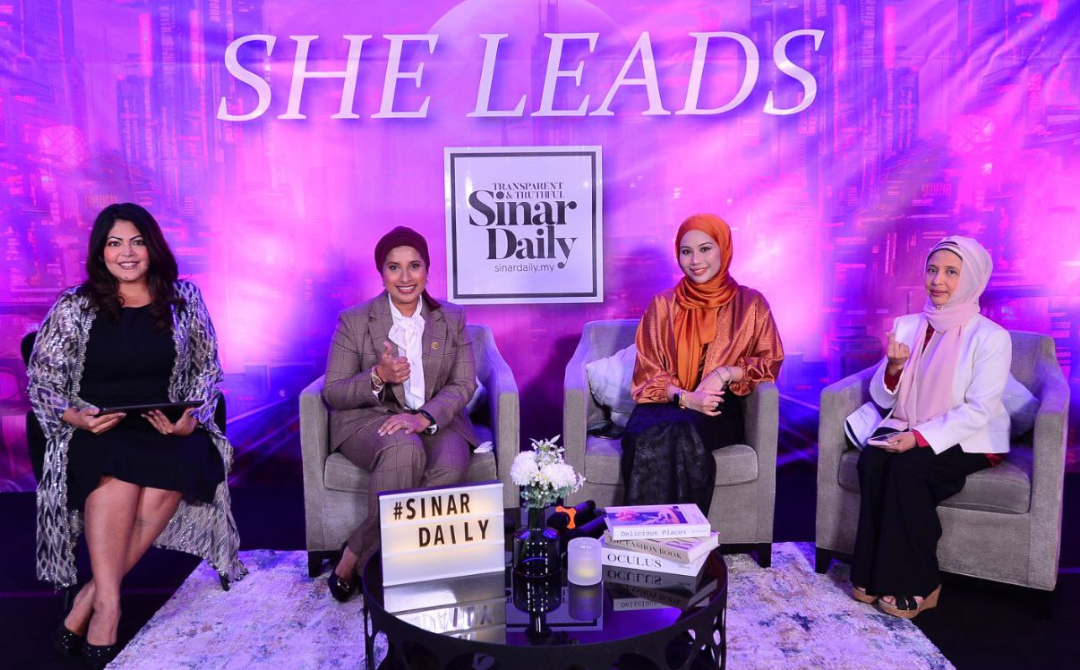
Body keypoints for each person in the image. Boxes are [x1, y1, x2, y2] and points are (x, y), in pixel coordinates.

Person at [28, 203, 244, 668]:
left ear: (153, 246)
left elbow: (208, 372)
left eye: (137, 241)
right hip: (97, 426)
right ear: (100, 252)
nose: (126, 253)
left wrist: (193, 416)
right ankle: (109, 606)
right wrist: (75, 417)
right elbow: (41, 381)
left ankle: (89, 598)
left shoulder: (184, 298)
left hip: (163, 424)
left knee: (183, 458)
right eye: (114, 243)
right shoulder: (76, 305)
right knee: (118, 467)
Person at [851, 236, 1009, 619]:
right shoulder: (907, 325)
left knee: (908, 470)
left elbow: (979, 410)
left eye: (951, 272)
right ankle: (872, 572)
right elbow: (884, 398)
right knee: (872, 461)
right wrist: (892, 368)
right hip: (910, 422)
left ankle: (921, 582)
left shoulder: (991, 337)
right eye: (933, 270)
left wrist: (918, 439)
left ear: (971, 279)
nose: (937, 280)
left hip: (969, 436)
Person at [322, 226, 477, 602]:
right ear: (381, 273)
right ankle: (382, 580)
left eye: (414, 266)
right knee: (403, 450)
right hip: (368, 421)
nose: (405, 277)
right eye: (394, 267)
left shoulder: (451, 319)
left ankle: (358, 551)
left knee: (449, 466)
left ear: (427, 270)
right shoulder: (355, 321)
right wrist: (377, 376)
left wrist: (423, 418)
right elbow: (334, 392)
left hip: (436, 421)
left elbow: (463, 384)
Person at [622, 213, 784, 514]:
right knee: (652, 433)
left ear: (723, 248)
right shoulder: (662, 304)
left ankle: (675, 543)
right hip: (661, 403)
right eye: (686, 252)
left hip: (718, 409)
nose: (695, 260)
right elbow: (647, 372)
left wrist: (724, 373)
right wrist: (685, 397)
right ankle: (653, 545)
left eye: (705, 248)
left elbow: (770, 361)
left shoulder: (751, 304)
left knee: (680, 432)